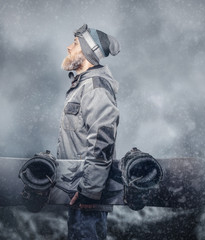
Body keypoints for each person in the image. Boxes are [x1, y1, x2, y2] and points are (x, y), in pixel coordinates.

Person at [57, 24, 120, 240]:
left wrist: (90, 190)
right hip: (79, 191)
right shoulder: (83, 85)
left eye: (75, 44)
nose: (68, 48)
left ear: (87, 52)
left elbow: (103, 138)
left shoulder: (95, 86)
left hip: (86, 195)